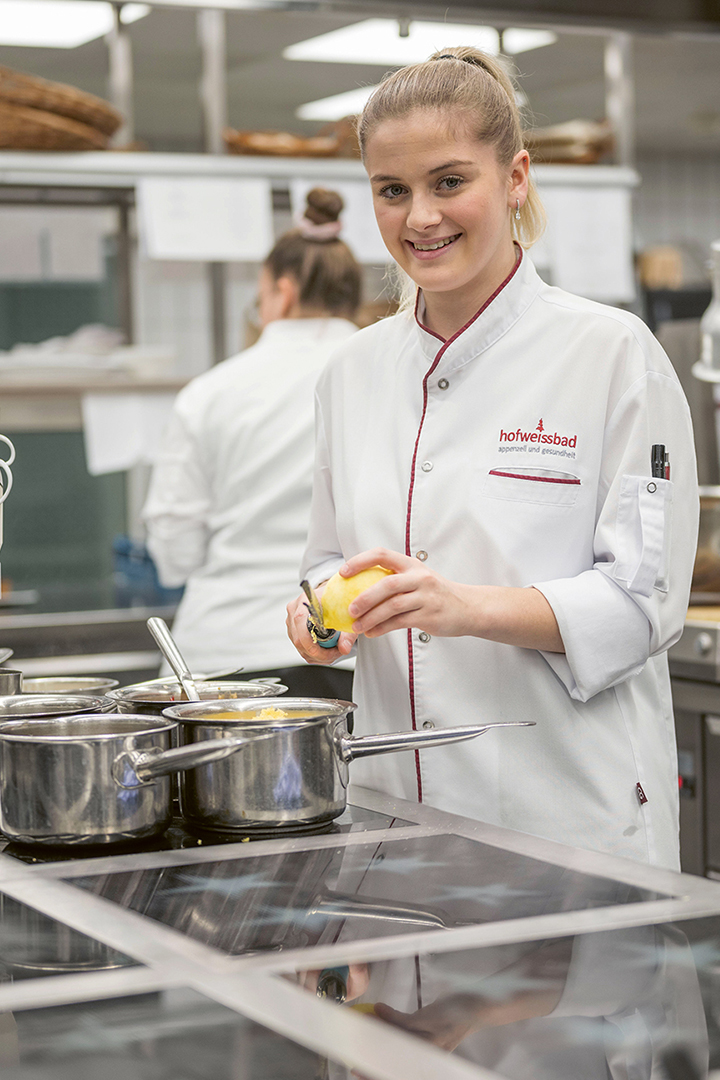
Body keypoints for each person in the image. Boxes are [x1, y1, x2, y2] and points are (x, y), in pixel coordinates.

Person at [286, 47, 699, 868]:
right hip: (393, 819)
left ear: (514, 177)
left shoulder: (611, 352)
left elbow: (643, 604)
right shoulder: (351, 372)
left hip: (568, 816)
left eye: (448, 182)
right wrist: (314, 617)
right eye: (392, 190)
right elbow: (328, 559)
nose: (420, 218)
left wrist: (465, 608)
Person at [144, 188, 360, 697]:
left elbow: (174, 551)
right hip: (349, 652)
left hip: (221, 655)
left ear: (281, 293)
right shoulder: (392, 377)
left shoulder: (212, 391)